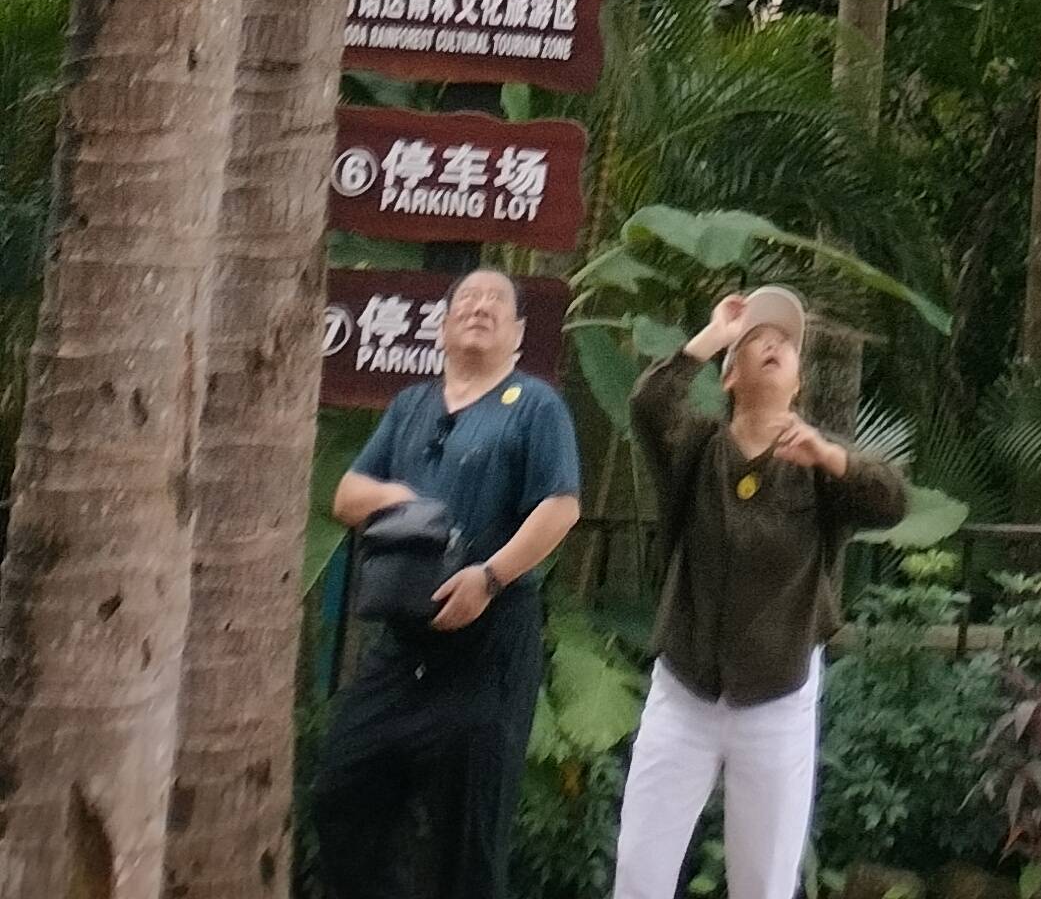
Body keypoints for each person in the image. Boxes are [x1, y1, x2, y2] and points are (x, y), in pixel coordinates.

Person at [613, 281, 909, 899]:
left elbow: (891, 503)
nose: (773, 345)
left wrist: (832, 459)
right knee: (641, 873)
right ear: (729, 378)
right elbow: (647, 405)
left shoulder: (822, 464)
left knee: (765, 884)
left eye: (785, 344)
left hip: (779, 700)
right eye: (755, 341)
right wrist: (712, 336)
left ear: (798, 382)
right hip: (684, 690)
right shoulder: (696, 449)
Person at [312, 256, 584, 899]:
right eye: (466, 298)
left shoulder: (536, 406)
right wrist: (400, 499)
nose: (479, 306)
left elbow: (561, 506)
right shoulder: (410, 406)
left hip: (488, 645)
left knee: (467, 839)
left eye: (496, 301)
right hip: (403, 645)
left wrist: (488, 578)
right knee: (342, 792)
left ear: (519, 334)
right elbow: (347, 494)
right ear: (440, 327)